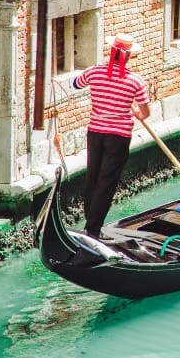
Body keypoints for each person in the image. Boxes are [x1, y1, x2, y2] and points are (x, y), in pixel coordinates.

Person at [72, 33, 150, 239]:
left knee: (93, 177)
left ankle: (90, 223)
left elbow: (75, 84)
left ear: (111, 52)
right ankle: (93, 229)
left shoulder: (94, 73)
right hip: (118, 136)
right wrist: (135, 112)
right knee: (107, 181)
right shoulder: (135, 81)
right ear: (128, 56)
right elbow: (145, 113)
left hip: (96, 132)